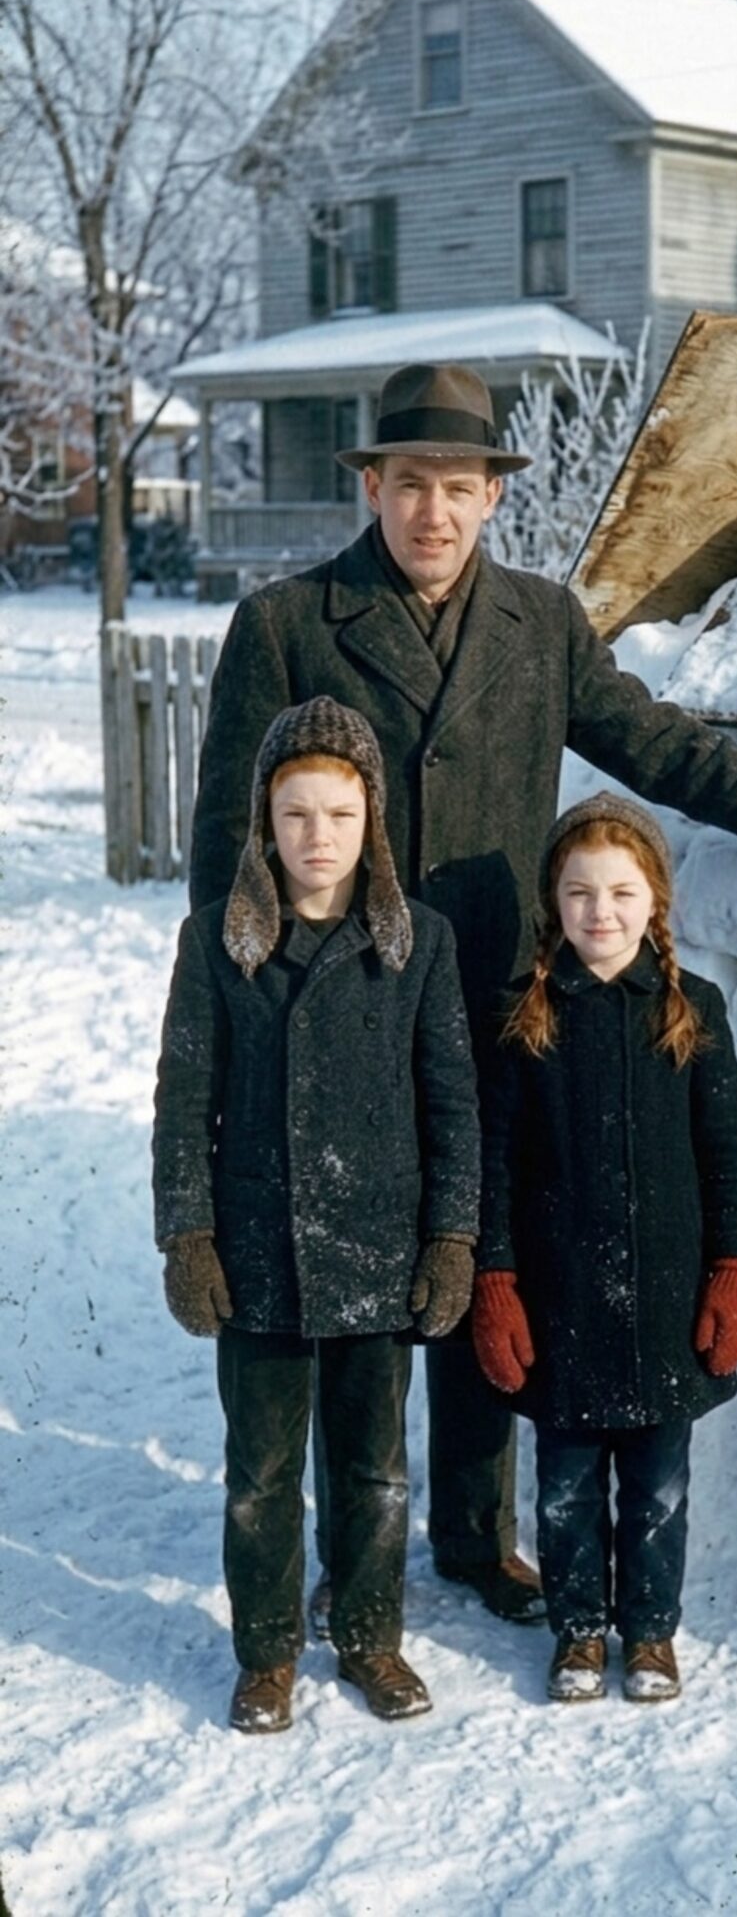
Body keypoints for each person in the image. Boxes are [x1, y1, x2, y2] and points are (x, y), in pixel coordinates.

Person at [188, 361, 737, 1630]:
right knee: (339, 1288)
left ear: (495, 498)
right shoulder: (286, 623)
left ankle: (474, 1536)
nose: (435, 511)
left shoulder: (541, 625)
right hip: (337, 1013)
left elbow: (658, 745)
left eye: (462, 486)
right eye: (412, 483)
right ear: (372, 485)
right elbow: (224, 844)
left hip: (488, 1000)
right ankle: (342, 1551)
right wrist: (233, 1011)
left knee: (485, 1257)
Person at [154, 696, 480, 1733]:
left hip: (377, 1253)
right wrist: (189, 1235)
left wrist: (452, 1235)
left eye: (339, 815)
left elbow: (452, 1099)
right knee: (259, 1471)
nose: (317, 838)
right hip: (258, 1253)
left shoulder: (416, 943)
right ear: (264, 820)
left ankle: (371, 1634)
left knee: (376, 1466)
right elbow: (183, 1097)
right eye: (296, 815)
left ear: (371, 820)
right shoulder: (217, 941)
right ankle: (266, 1650)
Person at [471, 792, 737, 1704]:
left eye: (623, 892)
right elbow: (495, 1164)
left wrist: (733, 1271)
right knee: (563, 1488)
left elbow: (728, 1152)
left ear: (655, 902)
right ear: (554, 904)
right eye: (581, 892)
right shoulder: (525, 1016)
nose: (603, 912)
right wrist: (496, 1281)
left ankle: (650, 1633)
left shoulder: (691, 1009)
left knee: (658, 1488)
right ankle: (579, 1631)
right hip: (559, 1305)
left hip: (667, 1302)